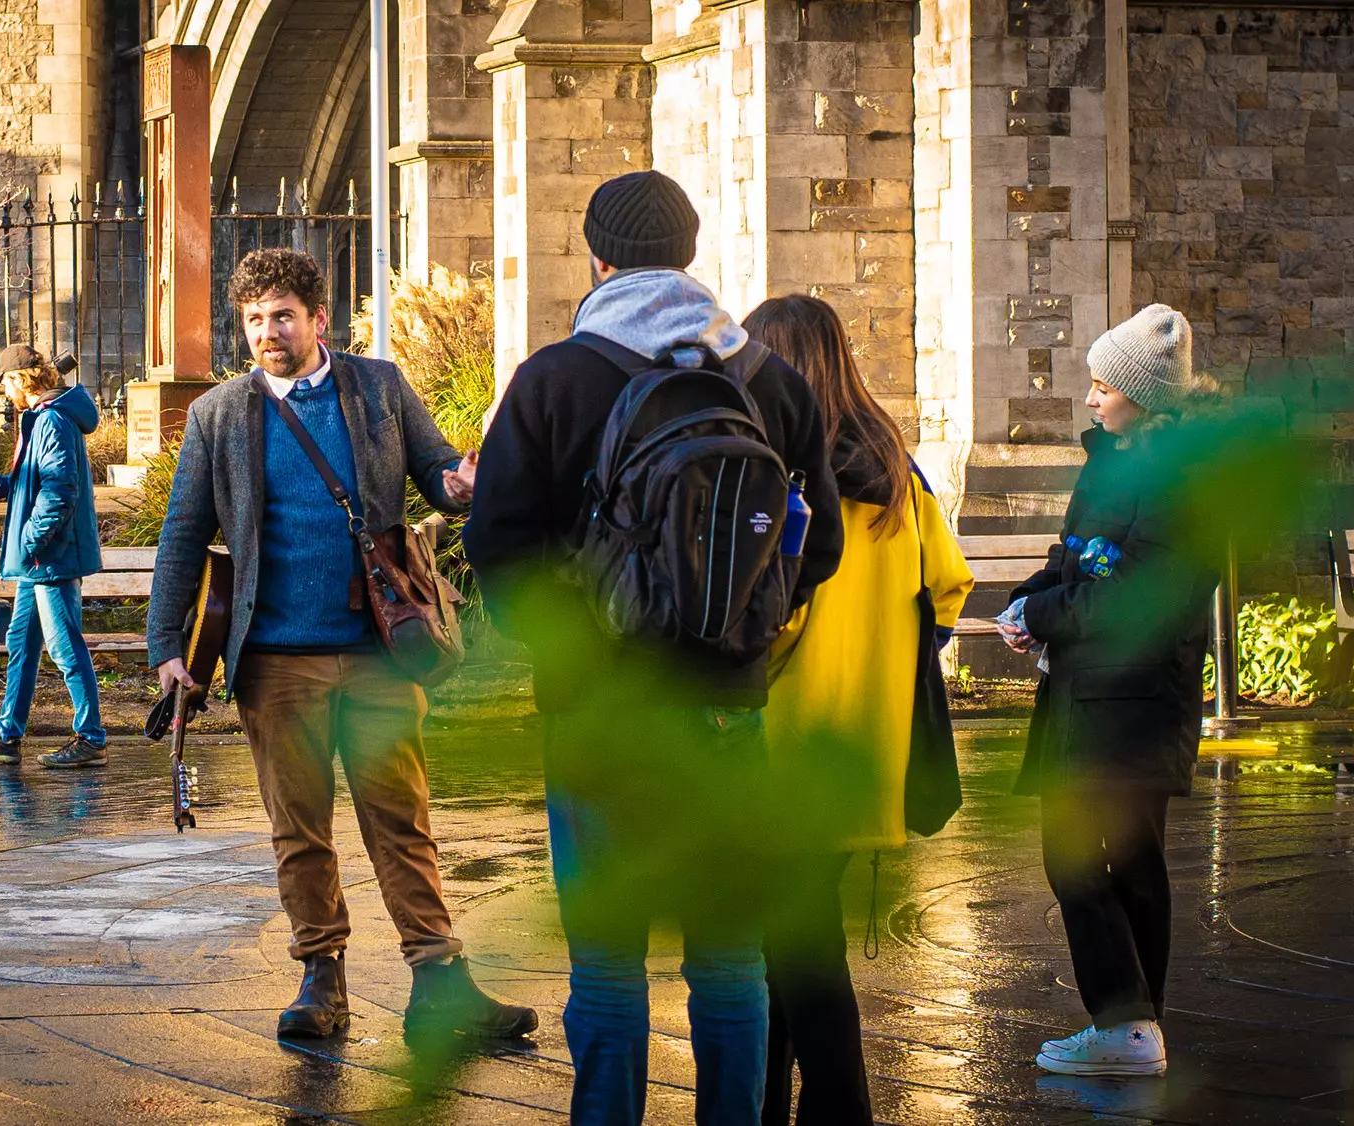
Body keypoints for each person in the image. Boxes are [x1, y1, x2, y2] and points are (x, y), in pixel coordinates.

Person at [464, 170, 844, 1124]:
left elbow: (499, 546)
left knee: (606, 962)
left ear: (596, 258)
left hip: (599, 713)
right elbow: (820, 541)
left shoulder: (554, 379)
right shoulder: (768, 379)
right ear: (689, 254)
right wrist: (743, 625)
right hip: (727, 707)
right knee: (728, 958)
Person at [147, 248, 530, 1043]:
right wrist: (166, 647)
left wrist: (463, 482)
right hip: (274, 663)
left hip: (377, 651)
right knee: (301, 828)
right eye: (253, 320)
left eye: (282, 315)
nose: (267, 333)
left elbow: (437, 478)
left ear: (319, 319)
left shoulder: (377, 388)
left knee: (401, 816)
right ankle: (322, 981)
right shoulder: (221, 414)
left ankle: (440, 981)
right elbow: (183, 535)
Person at [741, 295, 974, 1125]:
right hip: (868, 754)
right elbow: (947, 587)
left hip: (786, 747)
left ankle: (828, 1110)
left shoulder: (786, 473)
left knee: (789, 951)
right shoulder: (896, 469)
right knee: (796, 940)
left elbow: (776, 615)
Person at [998, 304, 1220, 1078]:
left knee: (1112, 860)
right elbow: (1072, 556)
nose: (1090, 400)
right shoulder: (1112, 462)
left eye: (1102, 386)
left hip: (1133, 703)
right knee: (1105, 860)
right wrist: (1029, 600)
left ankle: (1129, 1026)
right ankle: (1134, 1028)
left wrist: (1046, 612)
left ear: (1144, 397)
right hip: (1089, 694)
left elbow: (1143, 598)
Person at [0, 344, 109, 767]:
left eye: (4, 381)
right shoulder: (41, 419)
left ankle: (91, 737)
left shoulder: (54, 421)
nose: (2, 390)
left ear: (22, 380)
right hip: (40, 558)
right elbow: (38, 482)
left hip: (50, 558)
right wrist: (3, 484)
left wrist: (28, 543)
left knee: (64, 647)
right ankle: (7, 735)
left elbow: (60, 492)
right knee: (21, 642)